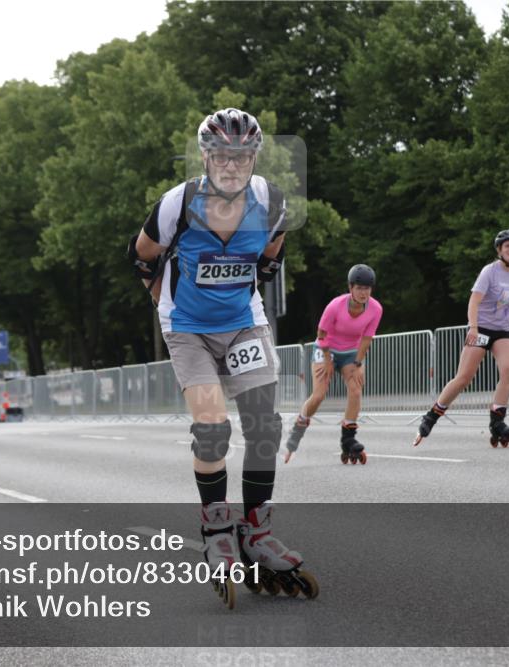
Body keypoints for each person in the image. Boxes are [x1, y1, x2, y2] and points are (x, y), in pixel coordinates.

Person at [128, 108, 316, 608]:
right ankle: (216, 530)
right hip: (188, 329)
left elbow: (273, 254)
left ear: (253, 157)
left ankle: (256, 531)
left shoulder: (272, 202)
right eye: (220, 156)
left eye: (241, 156)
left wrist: (250, 284)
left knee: (263, 426)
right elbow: (141, 255)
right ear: (205, 157)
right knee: (213, 428)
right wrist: (164, 305)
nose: (230, 165)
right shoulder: (178, 203)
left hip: (242, 325)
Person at [413, 229, 509, 447]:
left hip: (503, 331)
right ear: (500, 249)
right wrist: (473, 327)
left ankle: (497, 421)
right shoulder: (489, 272)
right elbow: (474, 301)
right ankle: (432, 416)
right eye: (507, 246)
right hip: (481, 329)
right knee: (464, 377)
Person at [284, 264, 383, 465]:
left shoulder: (375, 308)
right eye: (359, 288)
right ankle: (299, 426)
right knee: (319, 394)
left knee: (355, 389)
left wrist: (358, 362)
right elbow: (321, 335)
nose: (364, 293)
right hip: (325, 349)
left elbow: (366, 339)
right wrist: (328, 360)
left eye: (367, 288)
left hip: (350, 353)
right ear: (350, 287)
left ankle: (348, 438)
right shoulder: (335, 306)